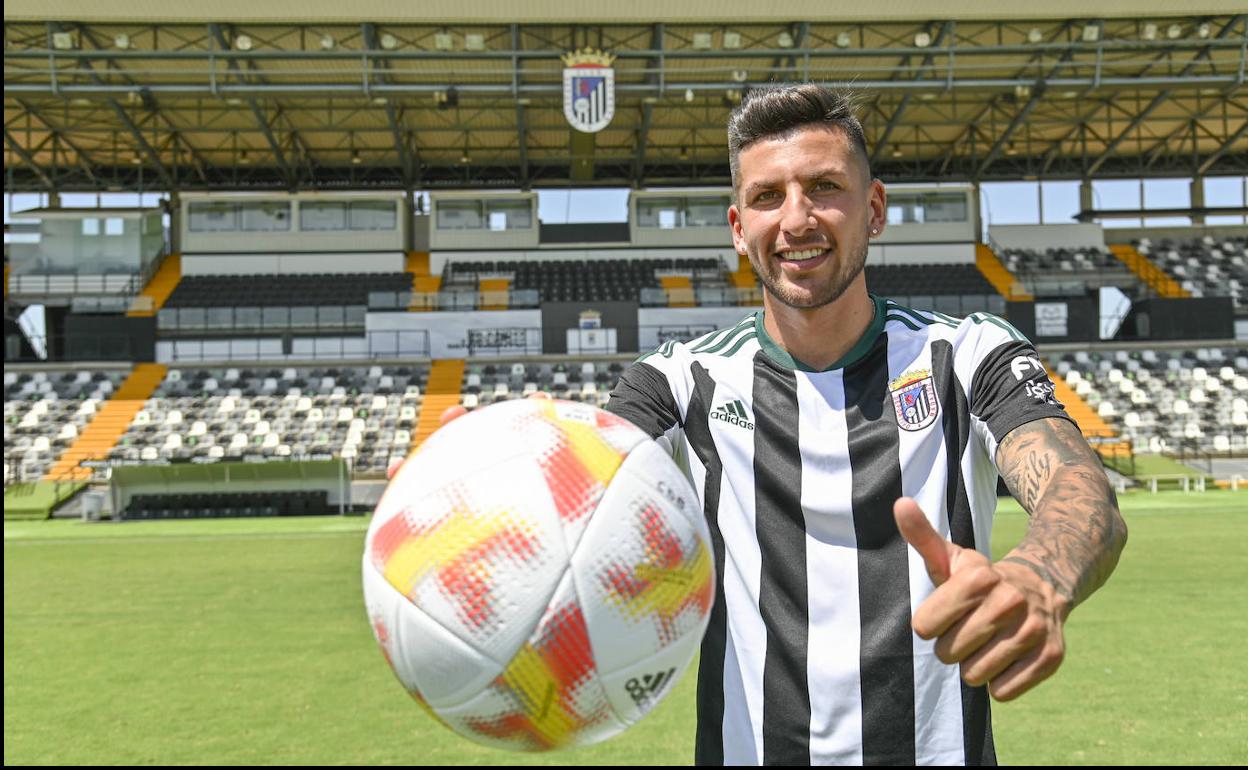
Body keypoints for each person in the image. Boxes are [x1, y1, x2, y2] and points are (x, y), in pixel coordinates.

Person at [600, 83, 1128, 765]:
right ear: (738, 228)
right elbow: (571, 481)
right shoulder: (678, 380)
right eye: (767, 197)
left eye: (824, 187)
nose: (796, 220)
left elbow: (1077, 485)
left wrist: (1037, 574)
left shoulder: (965, 355)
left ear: (873, 209)